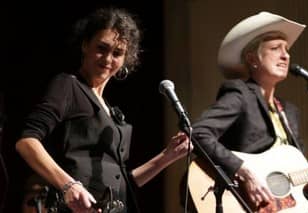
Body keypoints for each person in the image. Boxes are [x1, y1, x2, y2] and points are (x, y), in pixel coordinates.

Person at [15, 7, 192, 213]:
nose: (108, 59)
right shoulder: (68, 86)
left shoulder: (110, 110)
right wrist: (68, 185)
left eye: (117, 53)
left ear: (126, 59)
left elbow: (124, 184)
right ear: (85, 45)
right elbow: (26, 142)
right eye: (102, 48)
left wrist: (167, 156)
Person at [190, 11, 306, 212]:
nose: (285, 55)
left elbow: (300, 172)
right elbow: (198, 132)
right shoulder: (241, 94)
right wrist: (243, 171)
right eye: (275, 48)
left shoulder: (290, 112)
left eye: (286, 49)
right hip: (240, 200)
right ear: (252, 59)